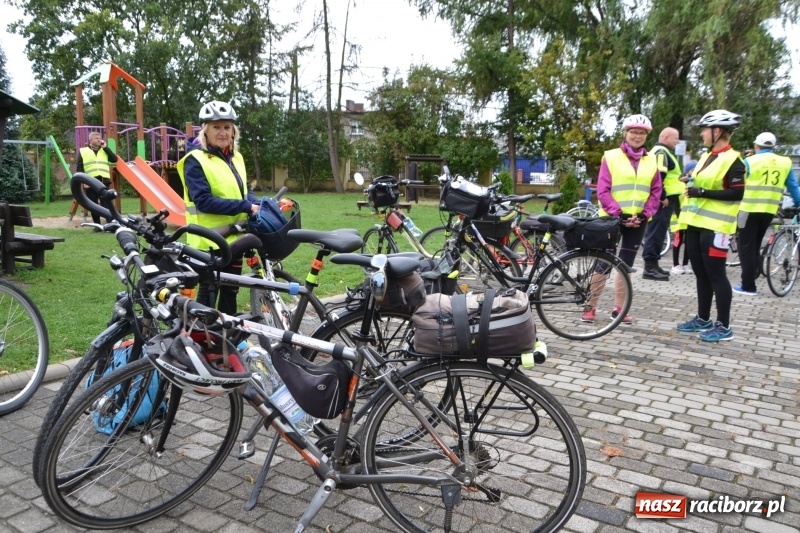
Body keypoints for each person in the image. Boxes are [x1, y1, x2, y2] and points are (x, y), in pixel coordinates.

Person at [177, 100, 259, 314]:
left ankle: (228, 336)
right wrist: (245, 206)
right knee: (208, 292)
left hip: (235, 239)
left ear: (233, 131)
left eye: (226, 127)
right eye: (216, 127)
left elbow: (244, 189)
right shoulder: (195, 160)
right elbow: (203, 201)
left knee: (231, 289)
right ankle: (202, 340)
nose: (222, 132)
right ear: (205, 131)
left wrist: (257, 203)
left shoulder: (236, 157)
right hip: (208, 241)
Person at [581, 113, 662, 324]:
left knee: (625, 265)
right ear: (625, 133)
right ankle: (590, 306)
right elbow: (603, 190)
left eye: (642, 133)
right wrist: (620, 214)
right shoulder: (611, 156)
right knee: (603, 264)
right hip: (611, 219)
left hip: (638, 220)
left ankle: (620, 309)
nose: (637, 136)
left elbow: (656, 191)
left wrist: (644, 214)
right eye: (633, 132)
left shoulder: (652, 159)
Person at [676, 109, 745, 342]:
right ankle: (703, 318)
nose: (702, 134)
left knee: (716, 275)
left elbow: (737, 192)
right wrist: (690, 181)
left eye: (705, 129)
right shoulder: (707, 156)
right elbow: (702, 182)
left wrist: (702, 191)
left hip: (717, 226)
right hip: (695, 223)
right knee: (700, 274)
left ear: (718, 131)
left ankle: (723, 326)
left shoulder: (733, 160)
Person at [734, 132, 800, 295]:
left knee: (746, 246)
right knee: (755, 244)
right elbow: (793, 187)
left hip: (747, 209)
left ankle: (748, 286)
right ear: (773, 147)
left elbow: (737, 186)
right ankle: (754, 274)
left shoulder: (749, 161)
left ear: (757, 146)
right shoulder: (785, 162)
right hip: (769, 210)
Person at [641, 127, 681, 280]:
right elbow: (658, 176)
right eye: (675, 138)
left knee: (659, 232)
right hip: (662, 201)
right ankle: (649, 268)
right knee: (655, 232)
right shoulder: (661, 152)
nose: (677, 141)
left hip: (665, 200)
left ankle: (654, 264)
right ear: (665, 137)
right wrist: (662, 197)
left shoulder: (664, 152)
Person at [76, 131, 118, 225]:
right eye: (96, 138)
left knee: (106, 203)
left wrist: (106, 148)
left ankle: (110, 223)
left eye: (100, 138)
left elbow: (114, 159)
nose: (99, 140)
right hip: (90, 181)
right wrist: (84, 181)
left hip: (103, 180)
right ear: (90, 139)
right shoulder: (83, 151)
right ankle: (97, 225)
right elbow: (79, 167)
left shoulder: (104, 150)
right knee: (93, 204)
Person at [670, 160, 696, 274]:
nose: (694, 172)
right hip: (678, 219)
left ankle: (685, 264)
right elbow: (675, 203)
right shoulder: (680, 185)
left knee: (689, 243)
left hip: (689, 219)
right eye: (692, 170)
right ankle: (675, 264)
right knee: (678, 241)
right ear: (687, 172)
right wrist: (679, 215)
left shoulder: (694, 184)